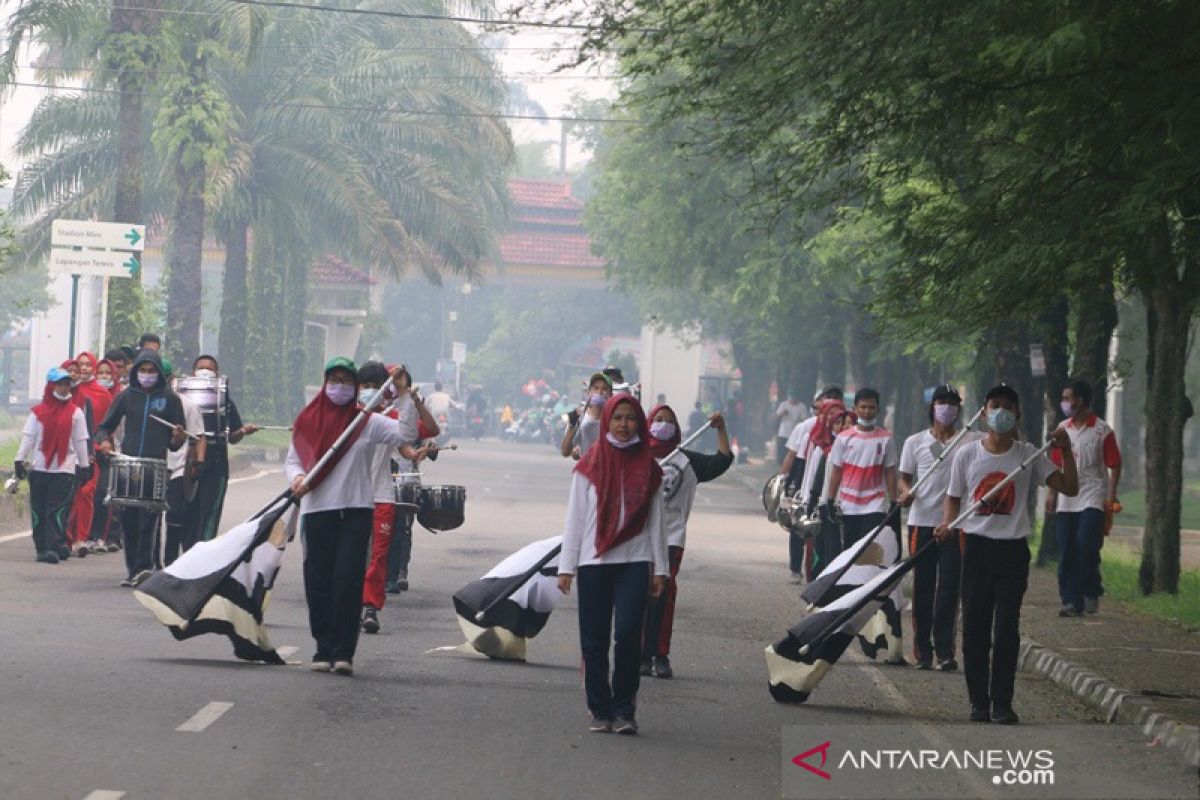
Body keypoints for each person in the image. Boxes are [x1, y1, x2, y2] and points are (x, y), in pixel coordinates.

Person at [936, 384, 1078, 725]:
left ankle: (1002, 702)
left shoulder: (1028, 454)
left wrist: (1067, 451)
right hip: (976, 547)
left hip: (1013, 552)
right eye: (994, 405)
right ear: (983, 412)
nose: (1001, 412)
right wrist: (947, 524)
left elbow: (1069, 487)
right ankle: (978, 702)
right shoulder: (967, 454)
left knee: (1006, 630)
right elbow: (953, 497)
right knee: (975, 628)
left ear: (1017, 414)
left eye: (1007, 407)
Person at [286, 358, 411, 676]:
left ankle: (343, 651)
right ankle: (322, 647)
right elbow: (293, 460)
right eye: (334, 380)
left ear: (354, 387)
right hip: (318, 510)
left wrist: (404, 393)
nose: (339, 386)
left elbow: (408, 433)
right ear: (325, 383)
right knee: (319, 582)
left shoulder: (367, 422)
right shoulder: (308, 419)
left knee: (347, 579)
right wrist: (297, 479)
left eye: (346, 380)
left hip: (356, 510)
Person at [557, 395, 668, 735]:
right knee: (594, 639)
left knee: (628, 635)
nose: (623, 424)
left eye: (630, 418)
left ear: (640, 423)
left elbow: (657, 522)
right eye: (617, 417)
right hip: (594, 561)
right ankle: (599, 708)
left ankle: (624, 710)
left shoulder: (648, 466)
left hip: (635, 560)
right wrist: (567, 566)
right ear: (607, 421)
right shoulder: (590, 463)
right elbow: (575, 519)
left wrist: (660, 567)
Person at [641, 405, 733, 678]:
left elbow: (722, 460)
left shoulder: (687, 461)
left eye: (669, 421)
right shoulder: (635, 456)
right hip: (638, 536)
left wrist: (721, 429)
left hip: (671, 536)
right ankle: (640, 654)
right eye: (658, 420)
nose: (663, 424)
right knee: (639, 595)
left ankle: (660, 653)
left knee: (663, 593)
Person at [898, 385, 978, 671]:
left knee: (949, 589)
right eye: (942, 402)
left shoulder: (971, 440)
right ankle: (922, 651)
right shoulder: (914, 442)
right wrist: (906, 492)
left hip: (955, 525)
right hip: (921, 522)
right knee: (922, 588)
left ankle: (945, 651)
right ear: (932, 407)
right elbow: (904, 478)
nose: (947, 408)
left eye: (953, 403)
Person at [95, 350, 187, 587]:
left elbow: (176, 443)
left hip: (155, 467)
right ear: (135, 372)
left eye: (152, 371)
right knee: (129, 519)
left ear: (159, 373)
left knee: (149, 520)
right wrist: (105, 441)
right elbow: (105, 427)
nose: (147, 375)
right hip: (128, 465)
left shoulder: (170, 399)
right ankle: (132, 570)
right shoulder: (127, 397)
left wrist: (178, 436)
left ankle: (144, 568)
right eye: (143, 371)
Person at [358, 363, 437, 632]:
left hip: (381, 495)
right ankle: (348, 604)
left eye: (375, 386)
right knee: (354, 554)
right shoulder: (345, 417)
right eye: (364, 385)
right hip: (351, 497)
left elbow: (409, 435)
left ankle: (370, 607)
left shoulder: (389, 418)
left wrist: (404, 391)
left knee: (378, 557)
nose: (369, 391)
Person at [1046, 379, 1122, 617]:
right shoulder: (1062, 429)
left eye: (1068, 398)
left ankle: (1091, 589)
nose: (1065, 403)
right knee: (1067, 548)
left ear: (1081, 400)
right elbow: (1056, 464)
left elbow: (1115, 464)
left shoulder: (1101, 430)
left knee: (1085, 544)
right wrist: (1051, 493)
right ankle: (1070, 600)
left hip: (1092, 494)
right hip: (1067, 497)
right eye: (1064, 399)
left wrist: (1110, 495)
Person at [15, 367, 91, 564]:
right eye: (59, 384)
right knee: (39, 510)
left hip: (64, 469)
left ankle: (54, 545)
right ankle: (43, 547)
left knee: (56, 510)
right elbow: (28, 437)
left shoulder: (76, 413)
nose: (64, 388)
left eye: (66, 384)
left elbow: (81, 440)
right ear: (51, 386)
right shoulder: (38, 412)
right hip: (39, 468)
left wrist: (84, 466)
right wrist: (19, 459)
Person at [184, 355, 257, 548]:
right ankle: (186, 560)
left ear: (217, 374)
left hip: (215, 468)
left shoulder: (225, 401)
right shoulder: (181, 399)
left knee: (208, 515)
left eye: (209, 369)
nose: (205, 371)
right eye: (201, 368)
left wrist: (243, 431)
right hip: (186, 467)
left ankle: (203, 558)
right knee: (186, 515)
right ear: (192, 373)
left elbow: (232, 436)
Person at [825, 387, 898, 550]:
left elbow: (890, 472)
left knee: (869, 549)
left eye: (871, 407)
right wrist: (830, 499)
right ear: (855, 409)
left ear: (878, 409)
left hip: (875, 504)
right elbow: (836, 471)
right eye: (863, 407)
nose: (867, 411)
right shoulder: (844, 439)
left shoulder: (886, 439)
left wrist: (893, 501)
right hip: (849, 505)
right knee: (851, 551)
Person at [796, 400, 855, 581]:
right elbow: (816, 478)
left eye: (849, 423)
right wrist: (812, 503)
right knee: (829, 549)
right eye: (839, 423)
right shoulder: (826, 451)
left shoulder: (858, 449)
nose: (844, 427)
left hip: (853, 506)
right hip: (828, 505)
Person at [67, 351, 115, 557]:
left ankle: (83, 537)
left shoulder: (102, 394)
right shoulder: (67, 390)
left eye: (88, 365)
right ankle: (66, 537)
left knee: (87, 493)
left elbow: (105, 426)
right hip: (67, 451)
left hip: (93, 450)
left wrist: (96, 447)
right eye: (80, 365)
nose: (84, 368)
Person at [160, 359, 207, 567]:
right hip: (153, 466)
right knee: (149, 517)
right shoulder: (141, 403)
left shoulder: (187, 405)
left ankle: (171, 561)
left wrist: (198, 462)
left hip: (178, 468)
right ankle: (148, 563)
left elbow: (199, 437)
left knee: (175, 515)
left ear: (171, 379)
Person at [88, 358, 125, 552]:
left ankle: (112, 537)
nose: (104, 377)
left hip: (116, 451)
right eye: (100, 373)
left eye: (107, 373)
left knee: (113, 494)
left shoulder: (122, 396)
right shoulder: (92, 395)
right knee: (96, 493)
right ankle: (94, 534)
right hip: (96, 449)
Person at [560, 372, 612, 460]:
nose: (600, 392)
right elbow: (565, 452)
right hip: (586, 471)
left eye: (604, 389)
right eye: (596, 388)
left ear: (610, 394)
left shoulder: (614, 418)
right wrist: (571, 427)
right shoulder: (579, 416)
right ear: (589, 392)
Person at [774, 388, 808, 466]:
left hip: (794, 434)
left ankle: (789, 467)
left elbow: (804, 419)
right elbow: (777, 416)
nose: (792, 399)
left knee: (791, 452)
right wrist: (782, 413)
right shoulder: (784, 404)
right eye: (791, 396)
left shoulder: (801, 407)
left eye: (794, 397)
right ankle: (781, 466)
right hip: (783, 432)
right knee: (781, 452)